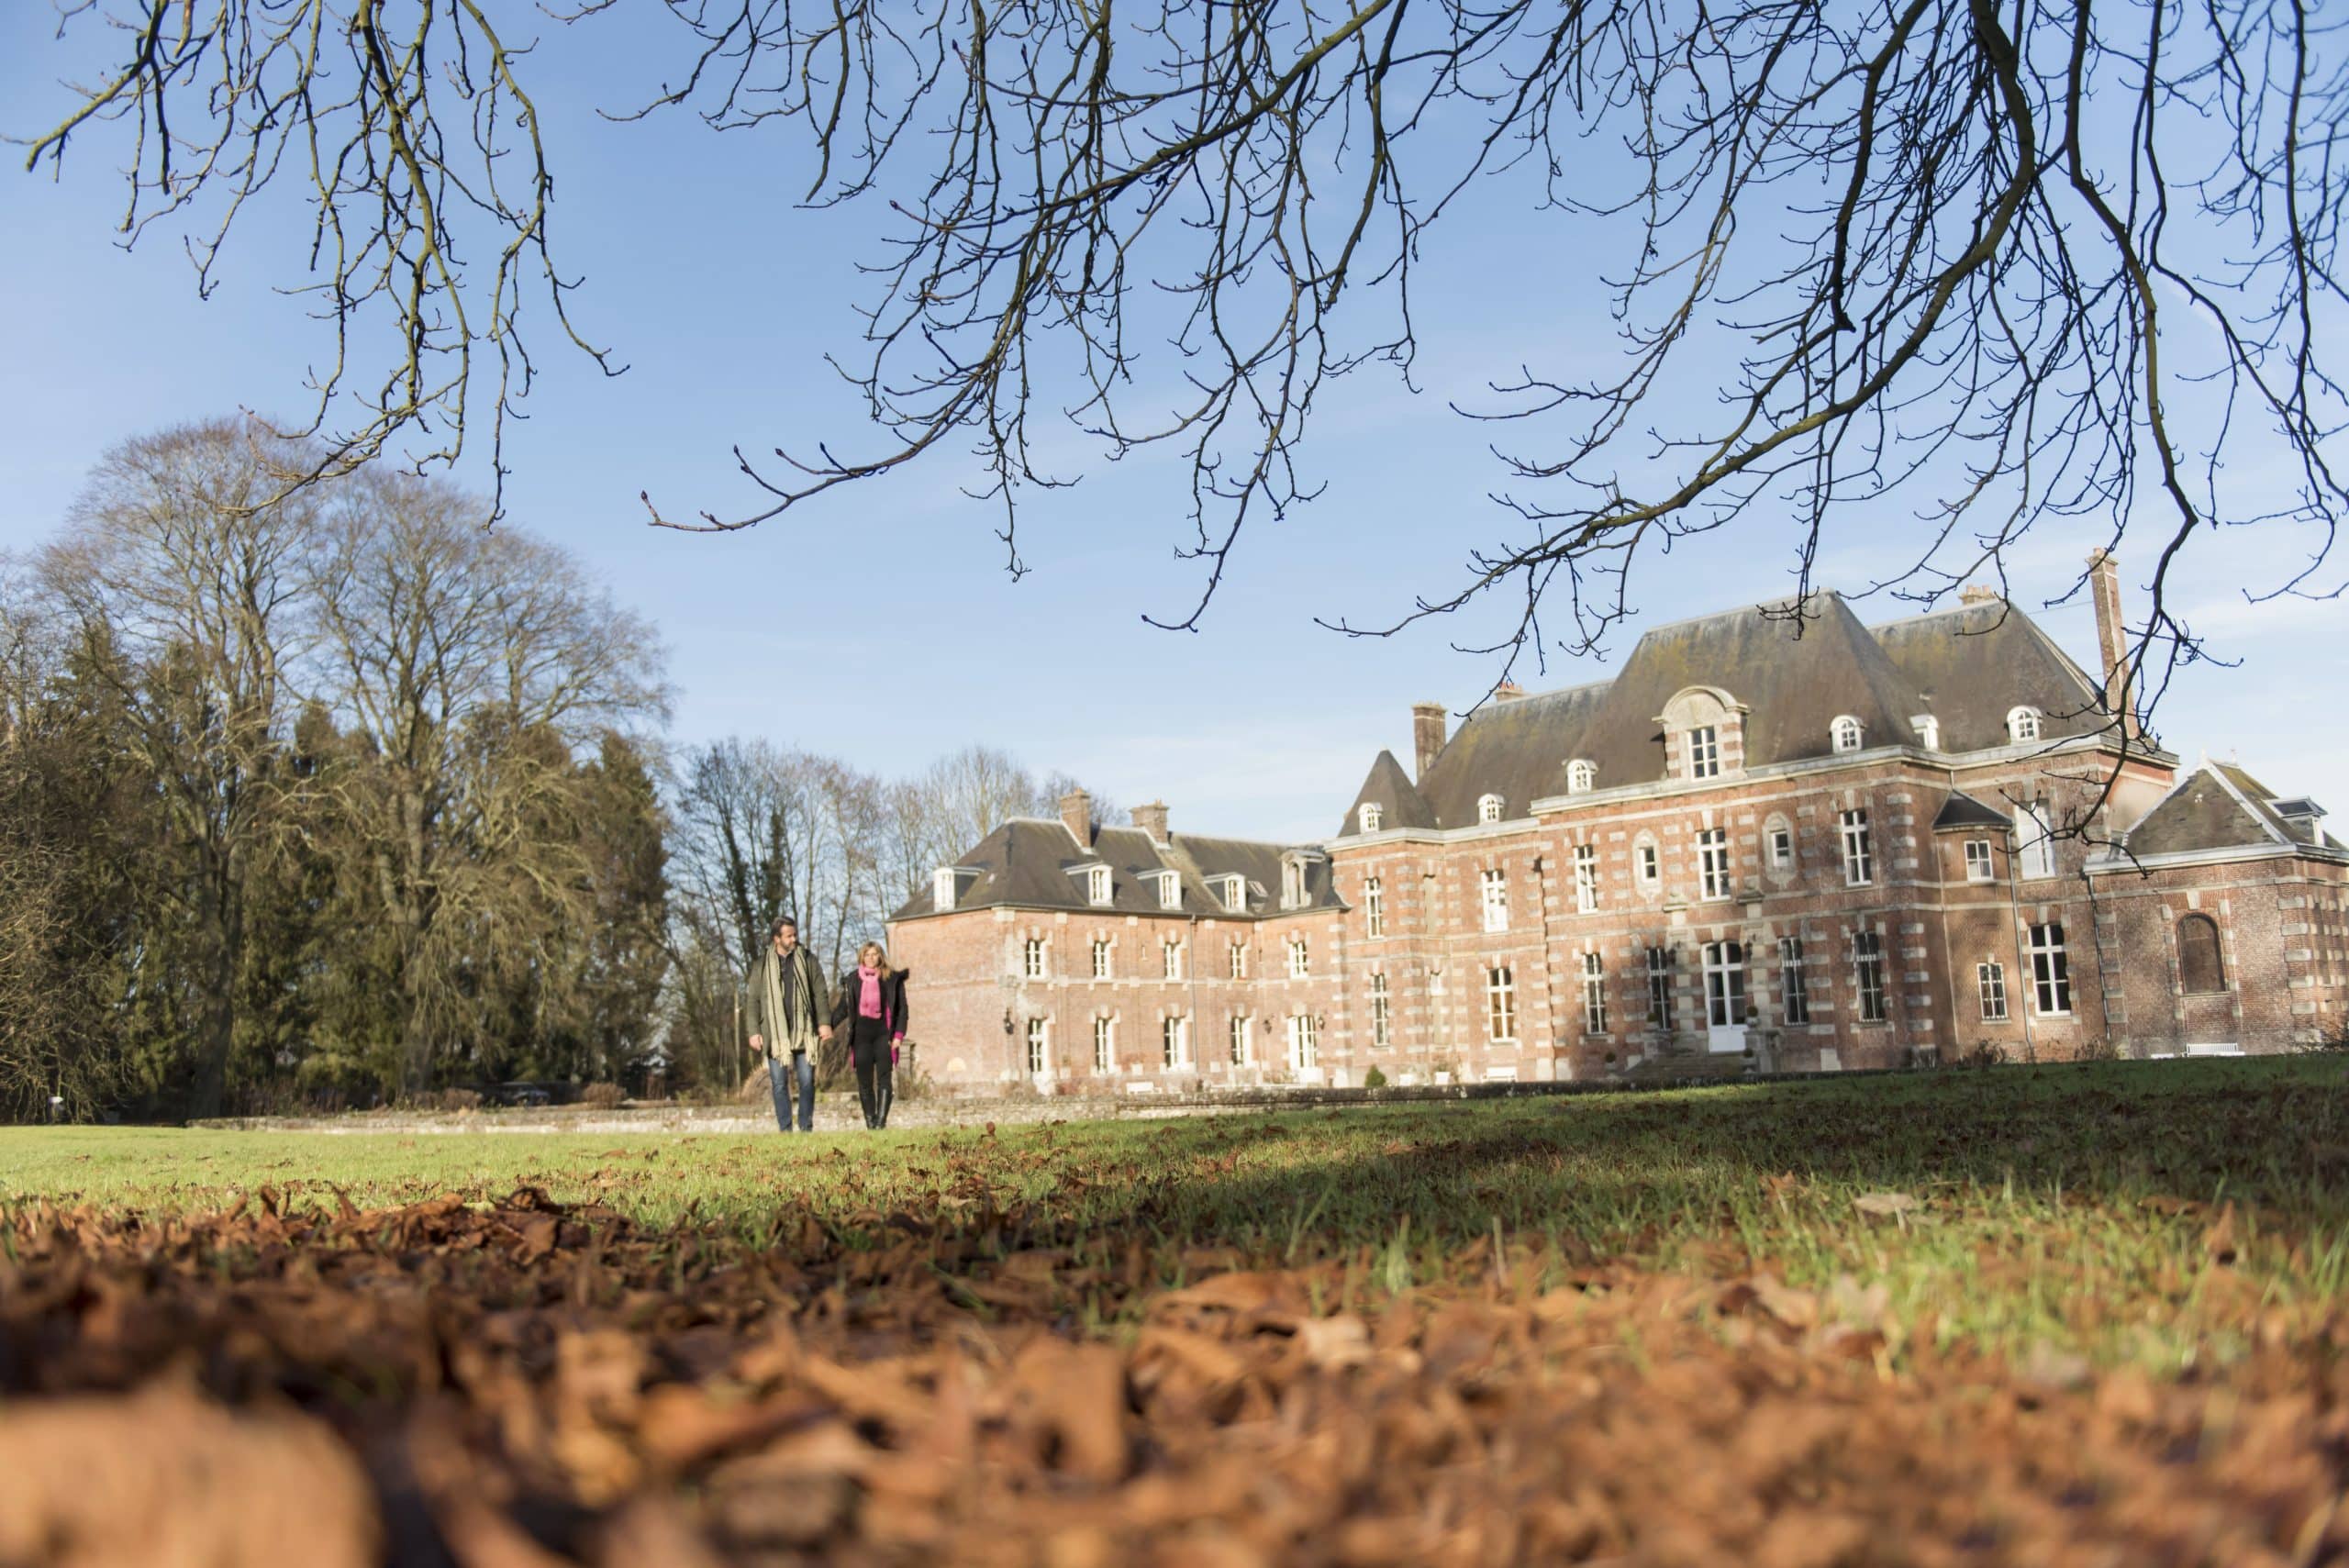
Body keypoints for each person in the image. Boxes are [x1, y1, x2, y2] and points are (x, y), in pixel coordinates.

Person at [745, 916, 832, 1133]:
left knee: (806, 1082)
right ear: (777, 938)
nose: (793, 939)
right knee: (779, 1084)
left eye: (795, 935)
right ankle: (785, 1129)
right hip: (775, 1035)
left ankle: (806, 1127)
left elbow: (820, 992)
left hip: (804, 1031)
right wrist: (753, 1031)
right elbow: (753, 999)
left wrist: (824, 1023)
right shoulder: (761, 965)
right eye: (788, 936)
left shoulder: (808, 959)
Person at [830, 940, 908, 1129]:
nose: (871, 958)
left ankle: (881, 1122)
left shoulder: (892, 980)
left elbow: (902, 1010)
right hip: (861, 1036)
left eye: (874, 954)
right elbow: (843, 1009)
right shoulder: (852, 981)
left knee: (884, 1078)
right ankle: (870, 1122)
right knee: (864, 1081)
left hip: (884, 1034)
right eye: (867, 955)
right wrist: (827, 1026)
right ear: (862, 957)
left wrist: (898, 1035)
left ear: (880, 956)